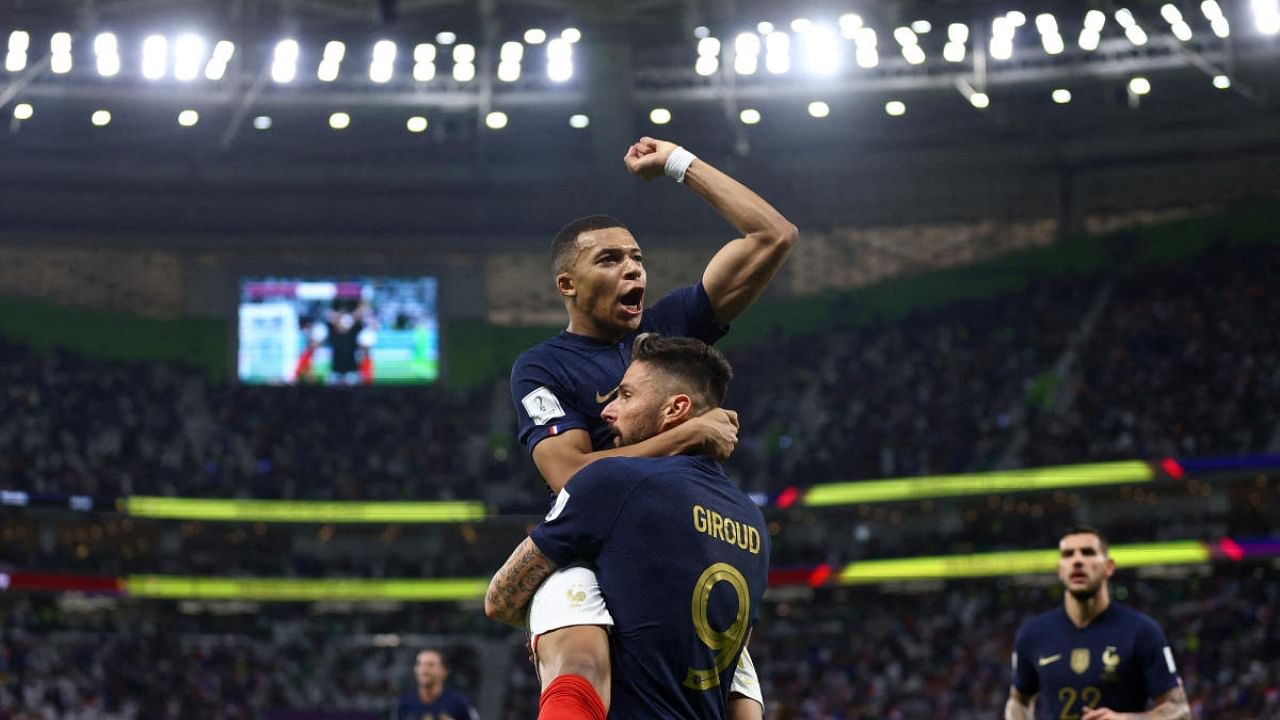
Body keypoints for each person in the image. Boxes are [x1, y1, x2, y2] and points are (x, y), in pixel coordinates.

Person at [507, 137, 794, 717]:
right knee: (579, 662)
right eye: (609, 259)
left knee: (745, 698)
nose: (633, 268)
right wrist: (688, 434)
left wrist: (678, 164)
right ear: (568, 285)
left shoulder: (662, 339)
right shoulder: (542, 367)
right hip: (605, 554)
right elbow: (569, 476)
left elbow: (773, 236)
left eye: (637, 257)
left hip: (688, 546)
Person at [488, 335, 770, 720]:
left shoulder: (613, 481)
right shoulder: (753, 521)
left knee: (565, 582)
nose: (608, 410)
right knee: (741, 665)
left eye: (625, 395)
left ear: (676, 409)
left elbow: (500, 600)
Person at [1004, 526, 1191, 720]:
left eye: (1088, 553)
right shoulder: (1032, 634)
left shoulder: (1142, 631)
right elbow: (1018, 701)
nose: (1077, 560)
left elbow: (1180, 710)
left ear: (1109, 567)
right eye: (1068, 554)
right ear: (1060, 569)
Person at [392, 649, 479, 720]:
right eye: (420, 664)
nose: (424, 670)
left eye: (431, 665)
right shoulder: (405, 703)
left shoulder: (459, 704)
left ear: (444, 671)